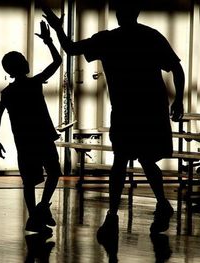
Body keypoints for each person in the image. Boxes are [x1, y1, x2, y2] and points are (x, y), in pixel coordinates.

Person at [43, 0, 184, 239]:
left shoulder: (107, 39)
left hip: (126, 109)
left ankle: (113, 215)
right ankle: (160, 204)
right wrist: (178, 99)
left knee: (121, 161)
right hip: (149, 108)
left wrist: (57, 29)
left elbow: (70, 48)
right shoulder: (150, 37)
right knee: (147, 160)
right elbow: (176, 69)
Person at [0, 21, 62, 233]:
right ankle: (41, 208)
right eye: (23, 60)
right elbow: (58, 61)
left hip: (24, 141)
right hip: (42, 137)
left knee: (29, 182)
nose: (26, 61)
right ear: (20, 66)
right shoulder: (34, 83)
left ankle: (35, 215)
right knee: (53, 173)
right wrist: (49, 41)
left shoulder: (8, 92)